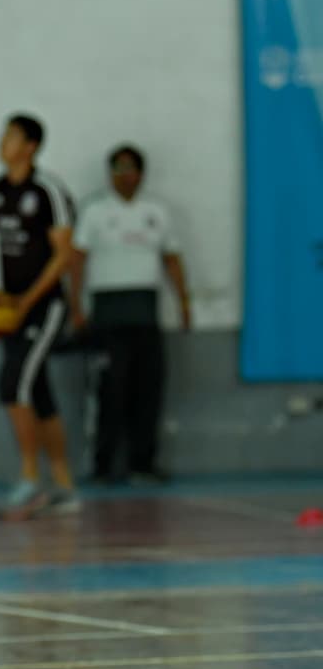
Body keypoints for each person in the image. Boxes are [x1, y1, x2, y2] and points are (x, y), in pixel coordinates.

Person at [0, 114, 80, 520]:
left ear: (30, 146)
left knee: (13, 385)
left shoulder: (48, 190)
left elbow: (64, 256)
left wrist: (26, 301)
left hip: (45, 307)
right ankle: (65, 487)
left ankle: (31, 479)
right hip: (12, 310)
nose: (2, 143)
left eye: (11, 137)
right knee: (38, 392)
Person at [69, 144, 191, 484]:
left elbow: (171, 259)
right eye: (118, 169)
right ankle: (104, 465)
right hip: (108, 312)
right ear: (110, 174)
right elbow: (77, 261)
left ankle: (143, 463)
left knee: (148, 390)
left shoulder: (157, 212)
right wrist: (76, 306)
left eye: (131, 169)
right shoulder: (95, 211)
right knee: (110, 391)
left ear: (141, 173)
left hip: (145, 312)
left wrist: (184, 303)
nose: (125, 176)